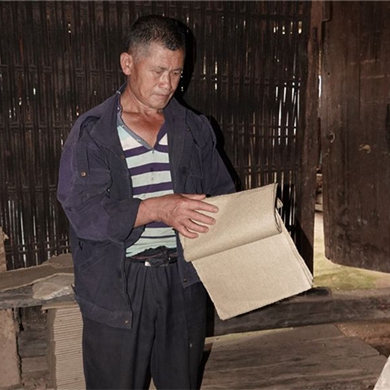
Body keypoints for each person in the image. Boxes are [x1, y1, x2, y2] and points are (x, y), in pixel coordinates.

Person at [57, 14, 235, 390]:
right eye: (157, 71)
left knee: (181, 383)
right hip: (119, 283)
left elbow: (222, 194)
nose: (167, 84)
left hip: (181, 280)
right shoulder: (94, 133)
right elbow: (85, 213)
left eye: (176, 73)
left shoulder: (193, 128)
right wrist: (159, 208)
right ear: (127, 63)